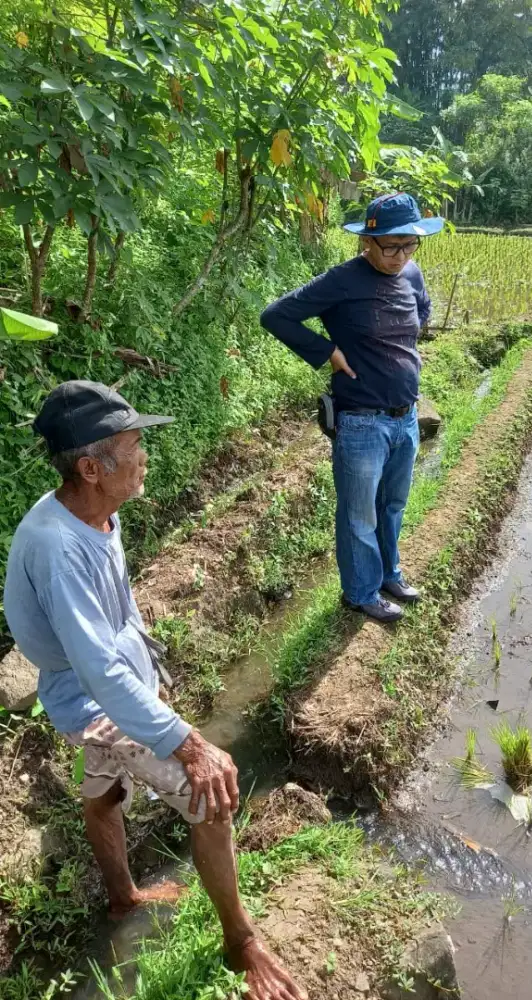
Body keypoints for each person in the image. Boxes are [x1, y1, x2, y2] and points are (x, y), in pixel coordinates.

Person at [4, 380, 304, 1000]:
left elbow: (117, 615)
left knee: (104, 787)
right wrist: (187, 742)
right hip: (90, 700)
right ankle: (241, 941)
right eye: (136, 448)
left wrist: (151, 668)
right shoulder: (59, 548)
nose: (146, 460)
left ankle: (122, 900)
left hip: (105, 682)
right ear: (91, 467)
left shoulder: (93, 512)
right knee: (212, 796)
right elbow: (97, 671)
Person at [261, 193, 444, 622]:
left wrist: (404, 352)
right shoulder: (343, 280)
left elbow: (423, 311)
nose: (401, 255)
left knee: (392, 506)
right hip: (361, 421)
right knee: (359, 515)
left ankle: (389, 575)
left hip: (406, 416)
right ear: (367, 242)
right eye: (391, 246)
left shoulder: (412, 273)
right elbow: (276, 316)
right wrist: (327, 352)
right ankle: (360, 592)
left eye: (410, 245)